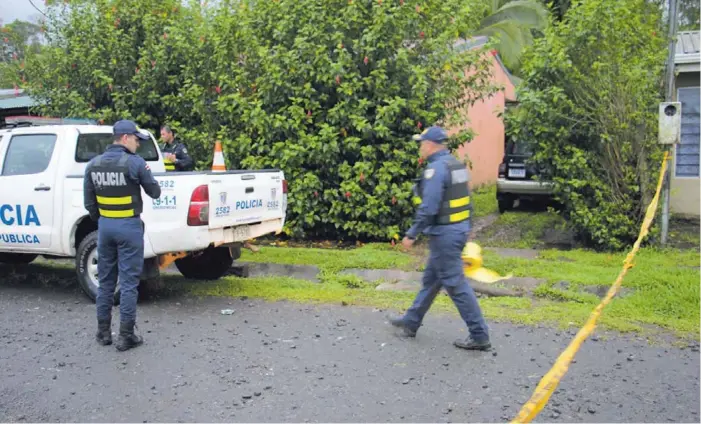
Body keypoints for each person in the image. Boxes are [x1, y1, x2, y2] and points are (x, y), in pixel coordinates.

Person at [387, 126, 491, 351]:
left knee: (455, 284)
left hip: (445, 234)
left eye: (422, 143)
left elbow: (429, 207)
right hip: (456, 231)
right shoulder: (456, 166)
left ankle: (479, 334)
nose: (420, 147)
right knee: (432, 280)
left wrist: (411, 234)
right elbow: (467, 201)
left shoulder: (436, 170)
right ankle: (411, 322)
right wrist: (467, 228)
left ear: (430, 144)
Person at [84, 120, 161, 351]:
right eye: (136, 139)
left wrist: (105, 219)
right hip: (129, 227)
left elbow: (89, 204)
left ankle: (103, 333)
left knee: (106, 282)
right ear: (125, 138)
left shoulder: (92, 165)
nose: (138, 144)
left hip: (105, 228)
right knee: (128, 283)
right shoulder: (135, 163)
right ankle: (126, 336)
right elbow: (155, 192)